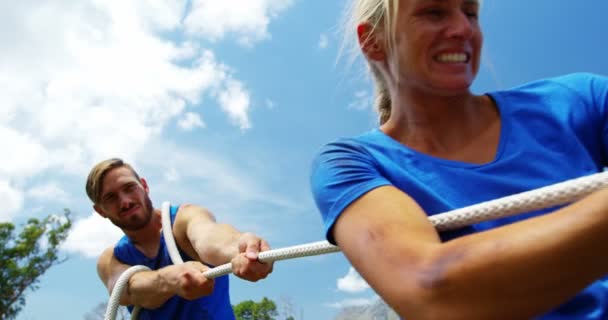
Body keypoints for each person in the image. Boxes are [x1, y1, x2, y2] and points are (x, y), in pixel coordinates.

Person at [310, 0, 608, 319]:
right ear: (373, 41)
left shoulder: (579, 98)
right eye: (433, 12)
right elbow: (431, 291)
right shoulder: (350, 163)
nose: (464, 29)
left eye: (470, 13)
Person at [86, 158, 273, 319]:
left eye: (129, 188)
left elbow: (209, 237)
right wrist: (171, 279)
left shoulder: (183, 219)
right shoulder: (112, 259)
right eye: (111, 197)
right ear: (100, 210)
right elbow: (128, 289)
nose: (125, 201)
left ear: (144, 186)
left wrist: (241, 248)